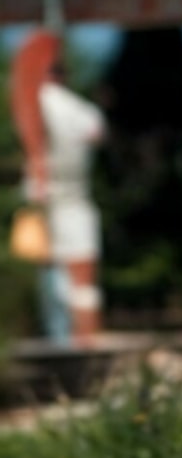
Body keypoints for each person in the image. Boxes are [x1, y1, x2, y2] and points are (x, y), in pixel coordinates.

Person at [12, 31, 107, 344]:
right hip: (73, 196)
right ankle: (83, 336)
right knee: (80, 274)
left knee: (53, 272)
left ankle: (64, 336)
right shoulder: (78, 109)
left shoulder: (43, 103)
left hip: (49, 196)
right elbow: (97, 133)